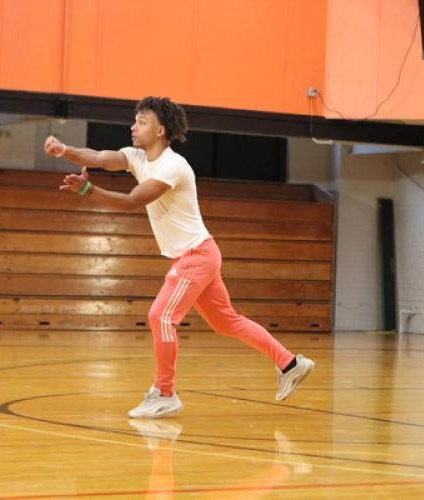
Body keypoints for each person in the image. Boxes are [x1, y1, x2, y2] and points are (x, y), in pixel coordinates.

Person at [44, 96, 315, 418]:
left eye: (141, 121)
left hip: (195, 256)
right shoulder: (136, 157)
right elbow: (100, 157)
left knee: (161, 317)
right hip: (199, 254)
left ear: (160, 130)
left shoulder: (173, 166)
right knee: (226, 322)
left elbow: (133, 200)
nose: (133, 126)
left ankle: (165, 392)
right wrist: (64, 151)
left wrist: (89, 192)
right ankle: (290, 363)